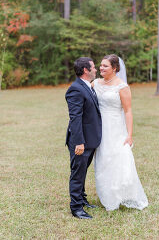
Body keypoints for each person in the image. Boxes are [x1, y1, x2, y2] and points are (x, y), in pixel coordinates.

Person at [91, 54, 148, 211]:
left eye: (105, 66)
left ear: (114, 68)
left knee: (117, 158)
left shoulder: (122, 87)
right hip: (99, 127)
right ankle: (107, 195)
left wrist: (129, 135)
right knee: (102, 160)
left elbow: (128, 111)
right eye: (100, 65)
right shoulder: (95, 83)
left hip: (115, 127)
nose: (101, 68)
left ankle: (118, 193)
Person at [64, 57, 102, 219]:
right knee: (77, 174)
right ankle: (76, 207)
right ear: (85, 70)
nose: (96, 70)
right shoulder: (75, 89)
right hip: (80, 142)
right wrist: (79, 142)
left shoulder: (87, 86)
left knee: (82, 171)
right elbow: (75, 118)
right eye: (93, 68)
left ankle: (82, 198)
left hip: (89, 139)